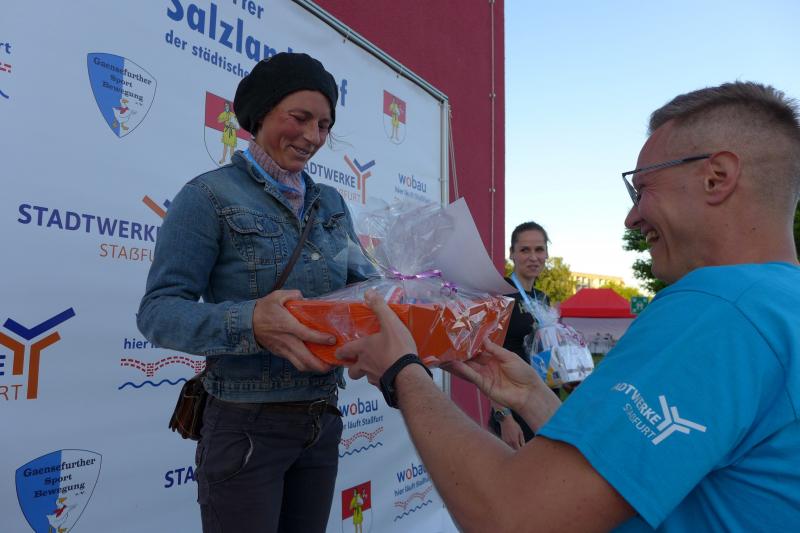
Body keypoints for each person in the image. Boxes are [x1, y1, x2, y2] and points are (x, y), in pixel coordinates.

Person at [336, 81, 800, 531]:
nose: (632, 217)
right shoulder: (777, 304)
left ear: (716, 177)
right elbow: (637, 470)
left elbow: (512, 518)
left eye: (642, 190)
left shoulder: (715, 310)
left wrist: (403, 372)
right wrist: (534, 398)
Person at [138, 52, 371, 533]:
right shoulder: (208, 197)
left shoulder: (331, 203)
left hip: (322, 420)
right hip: (246, 426)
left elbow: (361, 288)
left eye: (324, 125)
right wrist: (250, 322)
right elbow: (158, 312)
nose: (313, 136)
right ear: (261, 113)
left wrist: (409, 296)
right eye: (300, 117)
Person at [489, 221, 551, 448]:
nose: (533, 257)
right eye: (525, 250)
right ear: (512, 254)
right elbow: (487, 358)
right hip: (512, 406)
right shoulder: (500, 294)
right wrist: (503, 417)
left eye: (539, 249)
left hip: (541, 402)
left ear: (546, 254)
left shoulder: (542, 299)